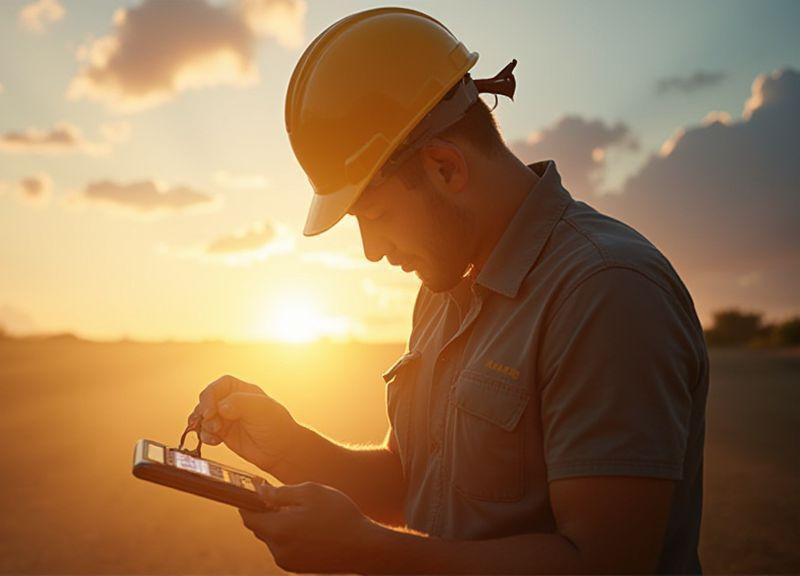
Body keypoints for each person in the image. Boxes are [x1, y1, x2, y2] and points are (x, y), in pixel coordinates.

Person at [188, 7, 709, 574]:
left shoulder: (606, 291)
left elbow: (604, 563)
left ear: (444, 168)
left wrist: (369, 552)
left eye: (376, 214)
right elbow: (418, 487)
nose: (370, 250)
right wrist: (292, 448)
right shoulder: (443, 288)